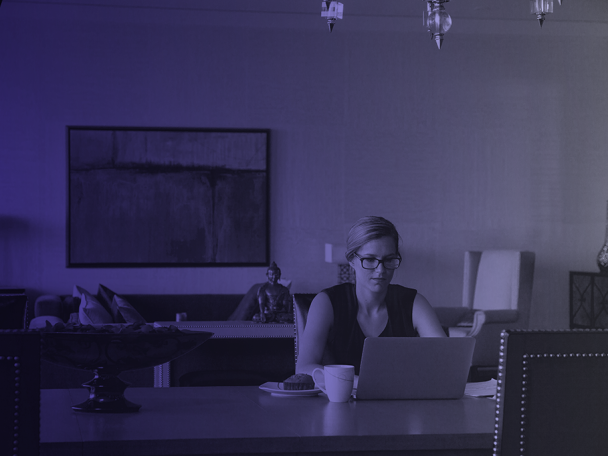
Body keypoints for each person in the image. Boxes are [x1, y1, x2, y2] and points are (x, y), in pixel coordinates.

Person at [296, 216, 446, 377]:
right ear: (351, 260)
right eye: (369, 259)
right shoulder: (327, 302)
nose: (380, 270)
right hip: (344, 394)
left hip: (401, 393)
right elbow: (304, 367)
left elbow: (447, 358)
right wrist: (356, 382)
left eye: (389, 259)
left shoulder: (414, 303)